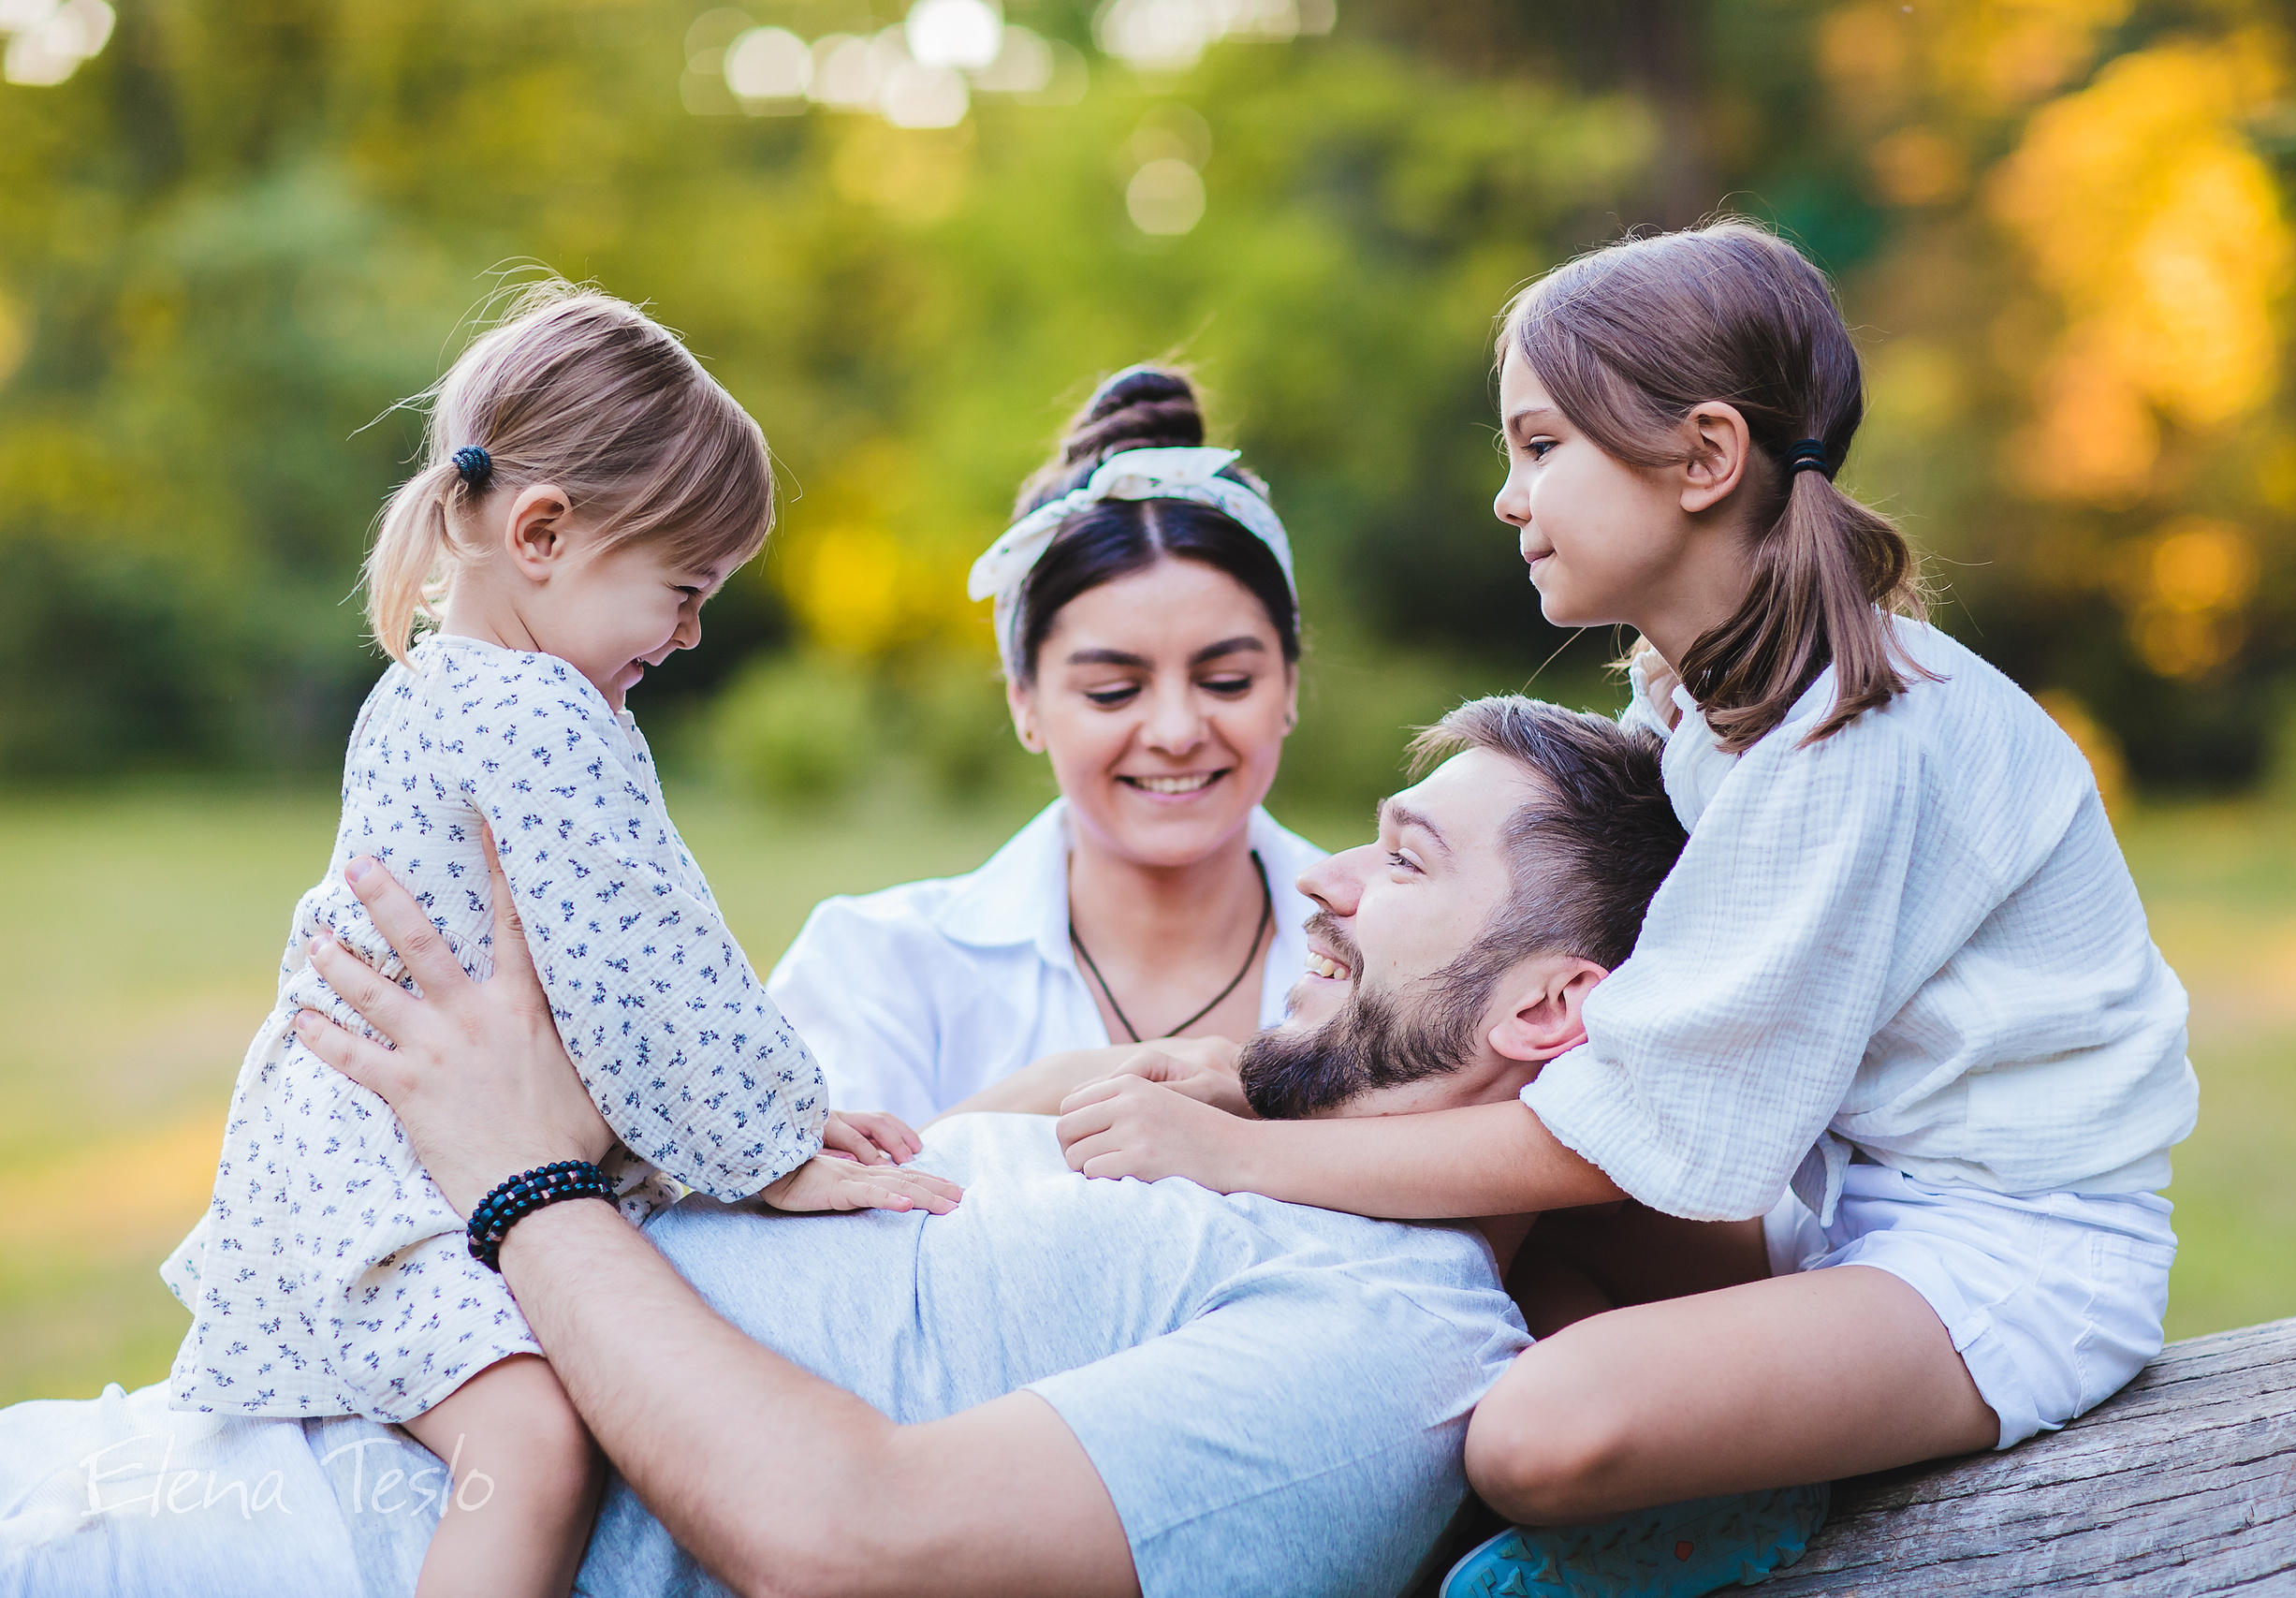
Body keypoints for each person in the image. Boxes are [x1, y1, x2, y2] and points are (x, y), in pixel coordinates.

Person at [1049, 221, 2201, 1596]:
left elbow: (1620, 1143)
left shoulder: (1854, 736)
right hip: (1844, 1204)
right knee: (1466, 1238)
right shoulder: (1702, 696)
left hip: (2017, 1255)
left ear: (1704, 459)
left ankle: (1722, 1492)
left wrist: (1234, 1148)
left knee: (1536, 1431)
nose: (1507, 494)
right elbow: (1556, 1010)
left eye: (1541, 447)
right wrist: (1264, 1075)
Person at [0, 695, 1683, 1598]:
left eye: (1398, 864)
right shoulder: (1209, 1133)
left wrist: (526, 1184)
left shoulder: (1385, 1352)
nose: (1314, 875)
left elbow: (842, 1538)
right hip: (207, 1443)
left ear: (1547, 1008)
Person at [156, 284, 943, 1598]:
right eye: (682, 590)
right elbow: (647, 957)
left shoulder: (435, 681)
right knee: (530, 1449)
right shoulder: (539, 718)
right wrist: (777, 1143)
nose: (692, 632)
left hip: (378, 1139)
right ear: (540, 533)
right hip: (394, 1166)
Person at [765, 367, 1323, 1127]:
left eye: (1226, 680)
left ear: (1288, 685)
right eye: (1111, 692)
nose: (1175, 731)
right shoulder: (876, 967)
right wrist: (1061, 1085)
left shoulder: (1397, 957)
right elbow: (820, 1231)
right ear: (1024, 701)